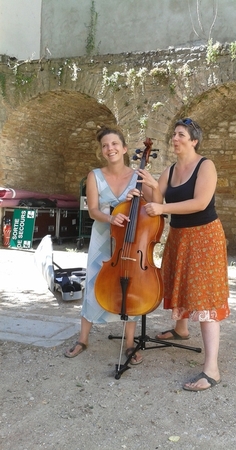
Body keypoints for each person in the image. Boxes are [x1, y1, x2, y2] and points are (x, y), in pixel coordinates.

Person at [134, 117, 230, 390]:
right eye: (174, 135)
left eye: (180, 135)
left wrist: (162, 209)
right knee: (181, 283)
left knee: (204, 294)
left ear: (194, 140)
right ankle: (181, 329)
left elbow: (200, 203)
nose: (175, 139)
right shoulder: (170, 170)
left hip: (204, 236)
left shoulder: (205, 166)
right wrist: (148, 185)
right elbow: (156, 202)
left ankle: (212, 370)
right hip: (180, 236)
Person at [65, 126, 152, 364]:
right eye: (105, 145)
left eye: (114, 144)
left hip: (130, 241)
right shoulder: (94, 176)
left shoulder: (138, 176)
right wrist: (112, 216)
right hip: (103, 237)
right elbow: (93, 211)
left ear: (124, 148)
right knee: (94, 284)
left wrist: (152, 185)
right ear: (102, 151)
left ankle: (131, 343)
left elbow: (154, 207)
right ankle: (83, 339)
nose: (110, 148)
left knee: (131, 286)